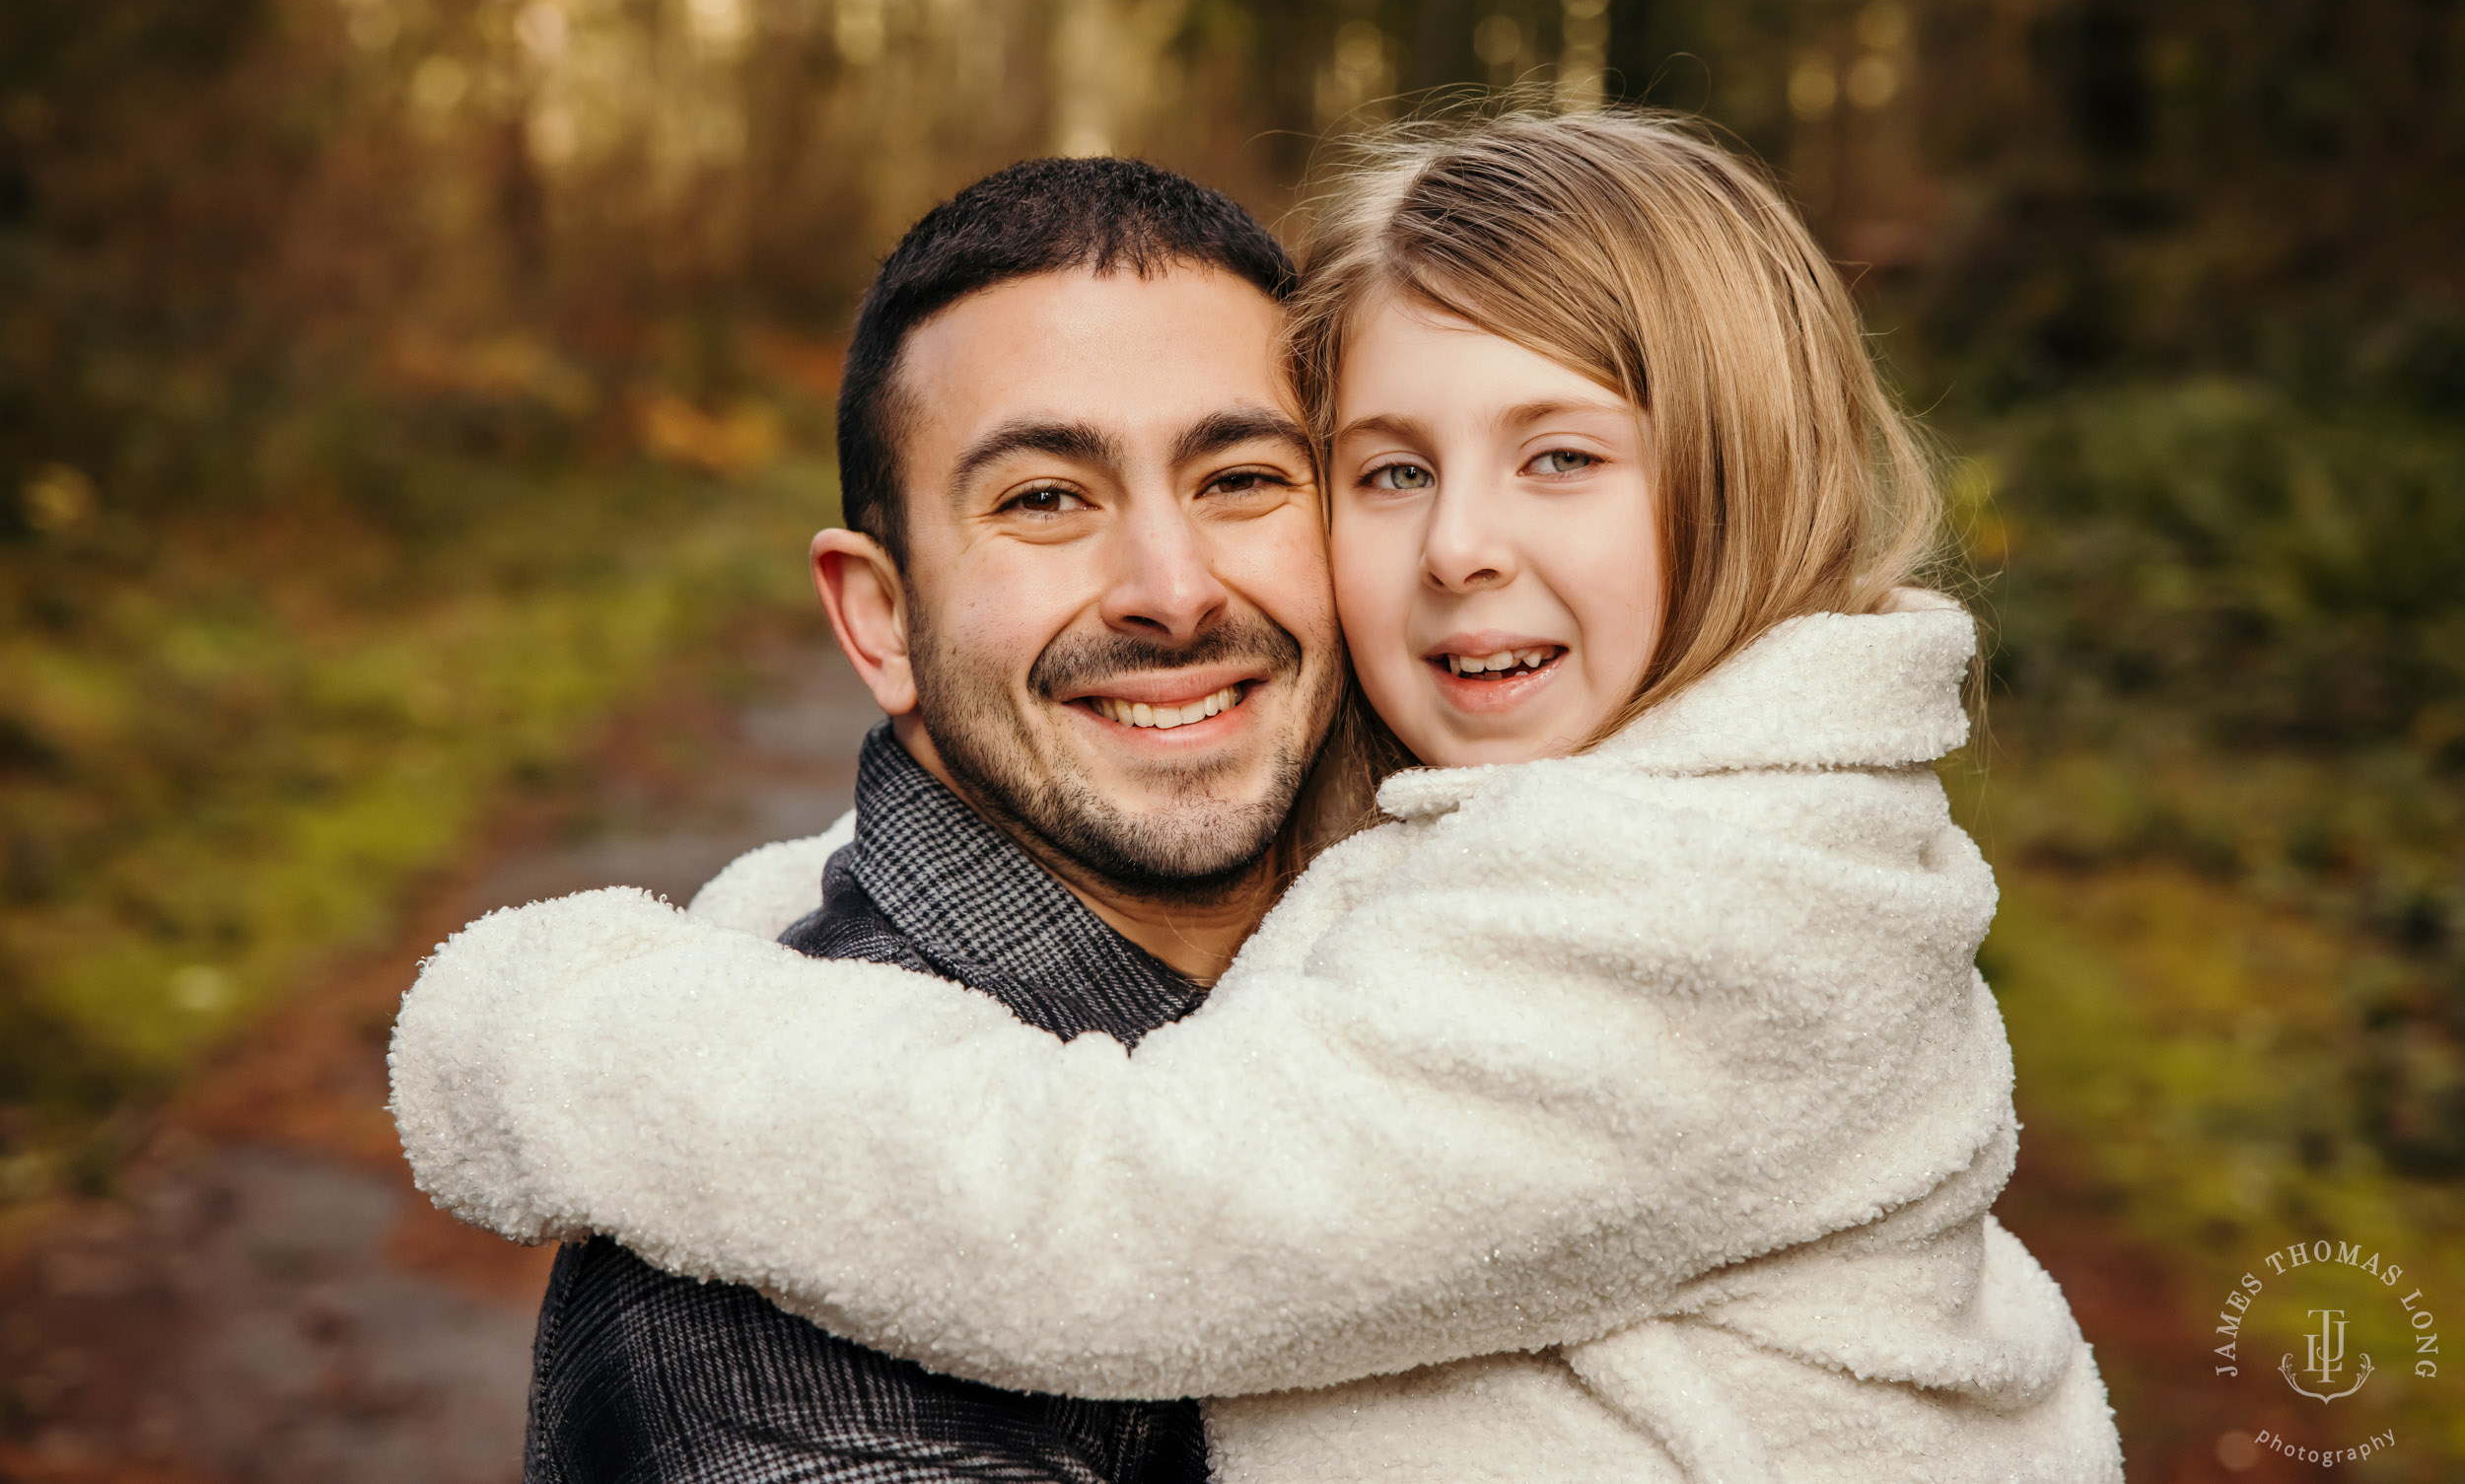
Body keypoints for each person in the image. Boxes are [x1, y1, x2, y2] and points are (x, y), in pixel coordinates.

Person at [395, 111, 2127, 1482]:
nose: (1460, 546)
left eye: (1239, 477)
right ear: (878, 614)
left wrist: (567, 1031)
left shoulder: (1707, 901)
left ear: (1742, 485)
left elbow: (1126, 1214)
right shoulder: (761, 1337)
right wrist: (759, 933)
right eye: (1387, 470)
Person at [480, 155, 1349, 1482]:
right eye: (1046, 499)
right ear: (880, 618)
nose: (1173, 593)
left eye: (1240, 477)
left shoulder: (1453, 984)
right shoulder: (766, 1275)